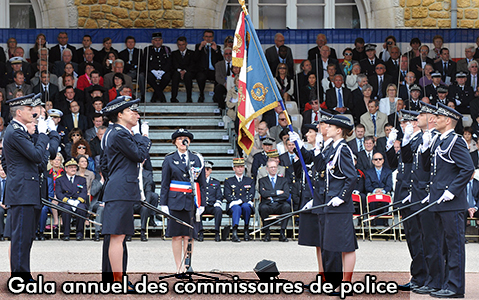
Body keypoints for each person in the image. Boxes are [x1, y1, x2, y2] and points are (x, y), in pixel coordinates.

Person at [420, 102, 474, 298]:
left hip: (452, 203)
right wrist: (426, 146)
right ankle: (446, 283)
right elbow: (430, 170)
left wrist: (452, 190)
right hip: (439, 202)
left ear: (448, 120)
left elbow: (468, 168)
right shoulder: (439, 140)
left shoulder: (455, 141)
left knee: (454, 246)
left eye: (439, 118)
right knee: (442, 245)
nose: (435, 120)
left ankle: (455, 287)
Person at [3, 94, 54, 281]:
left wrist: (16, 176)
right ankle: (19, 278)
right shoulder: (15, 131)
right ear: (19, 112)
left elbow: (6, 161)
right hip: (22, 191)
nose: (33, 112)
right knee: (20, 238)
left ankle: (24, 275)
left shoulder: (17, 130)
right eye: (28, 109)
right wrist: (42, 134)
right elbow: (36, 155)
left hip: (24, 188)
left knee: (25, 237)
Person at [100, 96, 151, 284]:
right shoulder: (120, 134)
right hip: (121, 189)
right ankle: (118, 280)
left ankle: (114, 277)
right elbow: (139, 155)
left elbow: (105, 165)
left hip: (117, 187)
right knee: (118, 236)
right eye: (131, 111)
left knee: (117, 236)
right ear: (120, 114)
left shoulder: (111, 132)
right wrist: (143, 138)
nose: (135, 114)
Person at [159, 128, 206, 274]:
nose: (183, 141)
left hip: (191, 201)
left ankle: (187, 265)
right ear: (175, 142)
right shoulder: (169, 159)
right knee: (176, 235)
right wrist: (163, 203)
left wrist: (202, 203)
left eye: (185, 138)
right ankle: (178, 266)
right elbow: (165, 183)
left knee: (189, 236)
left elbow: (202, 183)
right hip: (175, 201)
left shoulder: (196, 158)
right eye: (179, 139)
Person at [55, 158, 88, 241]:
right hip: (66, 201)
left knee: (82, 209)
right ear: (66, 169)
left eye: (74, 167)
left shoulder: (81, 179)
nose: (73, 169)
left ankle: (79, 233)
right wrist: (68, 201)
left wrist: (77, 201)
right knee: (66, 209)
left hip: (78, 201)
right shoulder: (60, 179)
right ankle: (66, 233)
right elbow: (59, 193)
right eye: (71, 167)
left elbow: (84, 192)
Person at [258, 159, 291, 242]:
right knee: (263, 208)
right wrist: (277, 192)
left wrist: (270, 194)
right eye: (271, 167)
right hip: (267, 204)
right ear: (267, 169)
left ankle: (282, 233)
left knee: (287, 207)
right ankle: (267, 233)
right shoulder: (262, 180)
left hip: (280, 204)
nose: (273, 169)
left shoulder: (283, 180)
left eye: (275, 167)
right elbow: (263, 194)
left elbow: (286, 195)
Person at [225, 158, 254, 242]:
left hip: (246, 204)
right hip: (233, 205)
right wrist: (237, 201)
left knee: (246, 206)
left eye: (241, 166)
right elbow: (227, 195)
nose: (240, 169)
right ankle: (234, 231)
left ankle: (246, 229)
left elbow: (251, 194)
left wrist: (241, 201)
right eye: (238, 167)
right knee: (237, 207)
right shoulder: (229, 181)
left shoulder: (249, 180)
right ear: (233, 168)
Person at [196, 161, 223, 242]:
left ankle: (217, 232)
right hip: (201, 205)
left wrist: (217, 203)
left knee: (218, 210)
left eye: (207, 169)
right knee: (197, 210)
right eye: (204, 169)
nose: (205, 171)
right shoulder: (197, 182)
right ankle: (200, 233)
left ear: (211, 170)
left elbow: (219, 196)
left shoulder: (215, 182)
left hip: (211, 206)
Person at [194, 30, 223, 102]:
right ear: (203, 37)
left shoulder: (217, 47)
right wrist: (200, 47)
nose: (208, 39)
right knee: (200, 77)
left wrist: (216, 50)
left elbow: (221, 60)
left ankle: (216, 96)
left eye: (210, 37)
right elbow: (194, 59)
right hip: (202, 70)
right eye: (206, 37)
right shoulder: (198, 46)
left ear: (212, 38)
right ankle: (201, 94)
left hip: (213, 70)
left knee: (218, 77)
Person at [143, 32, 172, 103]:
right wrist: (153, 71)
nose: (157, 42)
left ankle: (155, 96)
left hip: (163, 71)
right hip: (152, 71)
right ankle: (161, 96)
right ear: (152, 41)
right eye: (156, 40)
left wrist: (163, 71)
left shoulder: (166, 49)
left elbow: (169, 62)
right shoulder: (148, 49)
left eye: (159, 40)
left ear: (162, 41)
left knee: (167, 77)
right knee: (149, 77)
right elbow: (145, 62)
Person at [171, 36, 195, 103]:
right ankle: (173, 98)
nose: (181, 46)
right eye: (179, 45)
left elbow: (193, 64)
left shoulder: (192, 53)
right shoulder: (174, 53)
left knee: (188, 75)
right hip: (177, 72)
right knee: (175, 75)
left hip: (188, 72)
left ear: (186, 44)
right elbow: (173, 64)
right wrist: (180, 71)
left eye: (183, 44)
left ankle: (189, 98)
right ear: (177, 45)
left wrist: (184, 71)